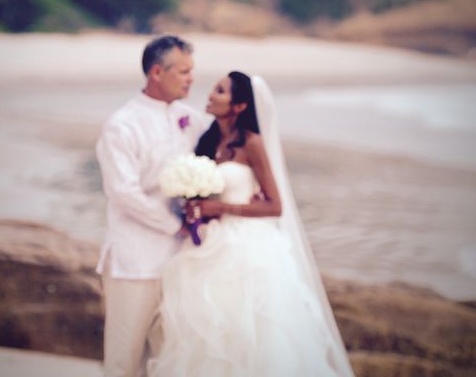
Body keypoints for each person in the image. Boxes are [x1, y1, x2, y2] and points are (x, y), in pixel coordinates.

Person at [148, 71, 354, 377]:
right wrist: (195, 208)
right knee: (204, 327)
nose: (211, 94)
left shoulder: (252, 144)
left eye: (220, 91)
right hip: (208, 241)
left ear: (240, 106)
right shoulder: (209, 139)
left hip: (245, 246)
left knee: (249, 332)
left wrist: (221, 206)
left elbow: (275, 205)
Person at [95, 35, 205, 377]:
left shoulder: (191, 119)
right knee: (124, 359)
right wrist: (176, 225)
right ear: (157, 72)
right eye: (183, 71)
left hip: (181, 262)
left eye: (192, 70)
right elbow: (124, 193)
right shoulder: (122, 125)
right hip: (135, 261)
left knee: (170, 359)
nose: (191, 79)